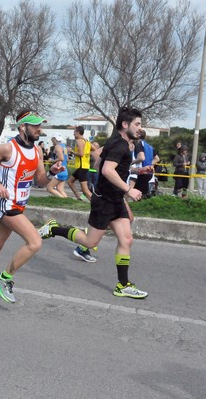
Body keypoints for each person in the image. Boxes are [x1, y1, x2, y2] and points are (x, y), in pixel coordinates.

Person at [38, 106, 149, 299]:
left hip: (115, 199)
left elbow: (99, 163)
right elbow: (106, 170)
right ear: (125, 125)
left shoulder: (118, 141)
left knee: (126, 240)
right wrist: (128, 189)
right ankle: (54, 229)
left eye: (141, 124)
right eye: (137, 124)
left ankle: (123, 285)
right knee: (90, 241)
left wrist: (136, 171)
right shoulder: (120, 144)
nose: (140, 128)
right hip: (105, 201)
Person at [0, 110, 63, 303]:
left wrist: (51, 172)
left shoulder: (37, 151)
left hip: (19, 205)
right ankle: (5, 277)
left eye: (40, 125)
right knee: (35, 242)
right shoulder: (8, 148)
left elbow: (40, 180)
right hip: (6, 205)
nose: (39, 129)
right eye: (35, 126)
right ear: (23, 127)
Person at [67, 126, 92, 201]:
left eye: (74, 132)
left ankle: (96, 204)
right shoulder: (86, 141)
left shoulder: (79, 141)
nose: (73, 134)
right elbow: (94, 149)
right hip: (83, 166)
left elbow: (81, 154)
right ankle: (78, 198)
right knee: (70, 182)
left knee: (85, 189)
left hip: (82, 167)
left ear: (78, 132)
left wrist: (71, 151)